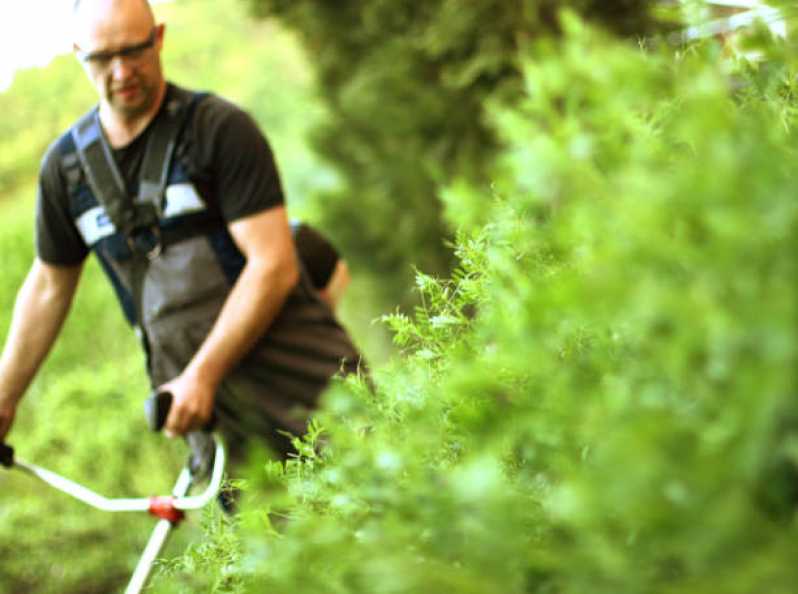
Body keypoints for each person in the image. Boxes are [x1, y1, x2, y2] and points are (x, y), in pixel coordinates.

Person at [0, 0, 362, 461]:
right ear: (78, 53)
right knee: (264, 531)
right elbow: (50, 287)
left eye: (135, 51)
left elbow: (272, 265)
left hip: (306, 385)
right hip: (210, 415)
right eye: (103, 58)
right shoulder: (66, 171)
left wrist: (202, 375)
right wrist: (5, 397)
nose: (122, 71)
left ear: (160, 38)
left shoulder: (218, 129)